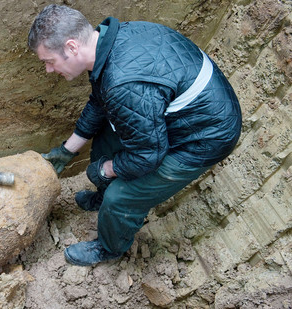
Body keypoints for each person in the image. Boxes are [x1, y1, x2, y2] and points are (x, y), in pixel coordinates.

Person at [27, 4, 242, 266]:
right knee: (106, 140)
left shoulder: (122, 83)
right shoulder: (112, 41)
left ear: (72, 47)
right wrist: (67, 150)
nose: (49, 70)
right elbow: (100, 102)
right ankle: (102, 196)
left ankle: (109, 248)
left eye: (49, 62)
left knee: (121, 197)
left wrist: (107, 170)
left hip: (204, 138)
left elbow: (147, 156)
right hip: (183, 111)